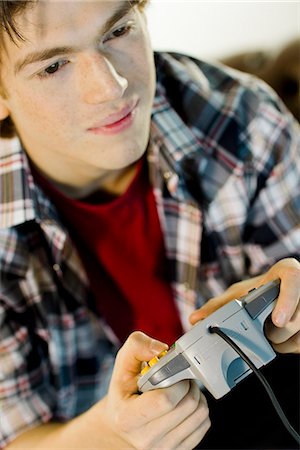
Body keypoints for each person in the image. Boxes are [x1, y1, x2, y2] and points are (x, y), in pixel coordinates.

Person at [0, 1, 299, 449]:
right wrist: (113, 434)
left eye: (118, 30)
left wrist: (283, 317)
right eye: (53, 66)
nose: (111, 86)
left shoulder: (246, 120)